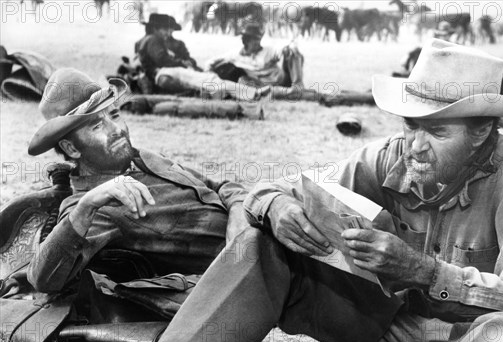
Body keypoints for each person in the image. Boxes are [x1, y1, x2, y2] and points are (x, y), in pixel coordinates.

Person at [72, 40, 503, 342]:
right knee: (267, 238)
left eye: (436, 132)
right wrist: (278, 207)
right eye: (410, 125)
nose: (415, 146)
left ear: (482, 132)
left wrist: (424, 270)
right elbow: (270, 189)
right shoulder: (390, 157)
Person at [26, 67, 249, 293]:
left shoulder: (143, 158)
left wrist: (239, 217)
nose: (117, 130)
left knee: (274, 195)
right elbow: (42, 279)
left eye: (114, 115)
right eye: (96, 125)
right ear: (72, 148)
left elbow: (220, 186)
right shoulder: (94, 207)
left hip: (253, 230)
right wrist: (87, 205)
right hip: (246, 271)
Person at [135, 13, 267, 100]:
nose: (167, 33)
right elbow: (162, 59)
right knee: (211, 80)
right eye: (165, 29)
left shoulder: (145, 40)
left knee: (210, 81)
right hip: (167, 72)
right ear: (156, 29)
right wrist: (182, 63)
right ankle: (251, 93)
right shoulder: (153, 40)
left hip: (164, 73)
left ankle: (249, 93)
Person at [207, 21, 305, 91]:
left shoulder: (268, 51)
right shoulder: (234, 55)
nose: (258, 43)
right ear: (246, 41)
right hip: (261, 85)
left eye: (259, 39)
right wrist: (210, 75)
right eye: (255, 40)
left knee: (293, 52)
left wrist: (287, 49)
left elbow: (280, 50)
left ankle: (297, 87)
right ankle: (272, 93)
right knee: (243, 80)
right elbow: (210, 63)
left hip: (283, 81)